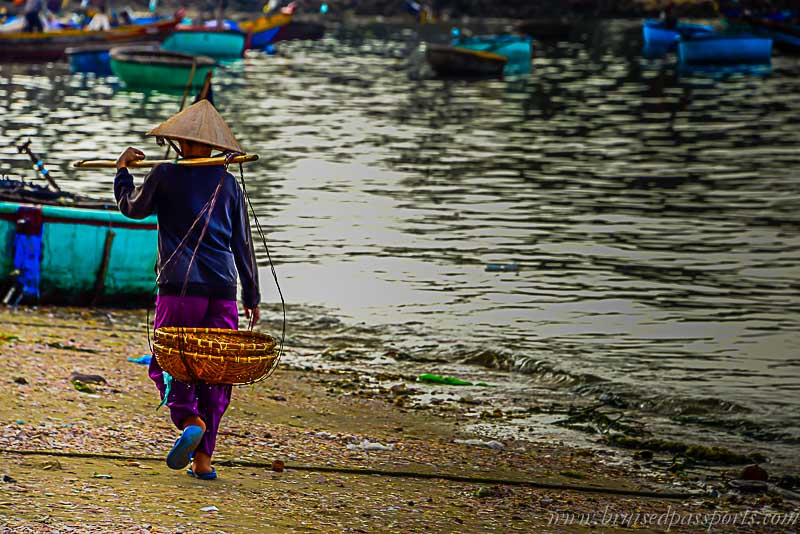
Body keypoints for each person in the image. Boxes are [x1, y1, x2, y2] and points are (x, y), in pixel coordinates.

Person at [113, 100, 260, 481]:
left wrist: (122, 173)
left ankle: (189, 418)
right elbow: (243, 245)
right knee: (215, 370)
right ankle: (204, 460)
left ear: (179, 142)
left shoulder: (164, 174)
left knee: (170, 361)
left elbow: (132, 208)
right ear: (215, 147)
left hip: (180, 288)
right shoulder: (229, 184)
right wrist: (252, 297)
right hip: (224, 290)